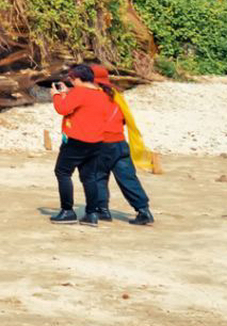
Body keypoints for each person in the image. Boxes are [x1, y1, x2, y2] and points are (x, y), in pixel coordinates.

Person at [48, 64, 119, 225]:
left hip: (76, 140)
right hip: (96, 141)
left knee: (62, 172)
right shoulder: (101, 94)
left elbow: (62, 109)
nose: (72, 82)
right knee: (89, 177)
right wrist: (66, 94)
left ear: (78, 79)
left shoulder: (80, 92)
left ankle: (67, 211)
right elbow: (82, 108)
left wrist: (56, 95)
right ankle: (91, 213)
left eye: (72, 79)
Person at [85, 63, 155, 225]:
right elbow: (123, 119)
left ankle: (102, 211)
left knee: (98, 176)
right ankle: (143, 210)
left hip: (101, 144)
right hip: (120, 143)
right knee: (128, 178)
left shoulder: (92, 96)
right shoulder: (116, 95)